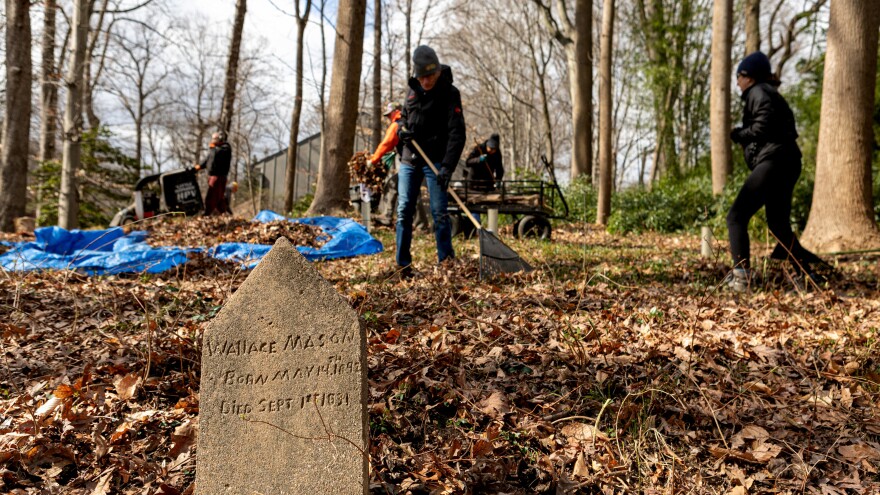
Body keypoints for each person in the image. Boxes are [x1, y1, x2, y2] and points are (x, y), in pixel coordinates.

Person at [727, 51, 823, 292]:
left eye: (739, 76)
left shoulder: (758, 92)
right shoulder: (768, 93)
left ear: (748, 76)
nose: (737, 82)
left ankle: (742, 279)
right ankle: (807, 277)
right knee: (778, 225)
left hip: (775, 162)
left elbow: (762, 126)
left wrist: (739, 134)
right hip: (787, 161)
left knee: (736, 216)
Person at [395, 45, 466, 277]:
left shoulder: (449, 93)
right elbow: (403, 119)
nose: (426, 81)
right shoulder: (412, 91)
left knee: (439, 212)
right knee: (404, 209)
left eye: (430, 76)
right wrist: (401, 131)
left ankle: (446, 263)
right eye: (422, 77)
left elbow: (457, 134)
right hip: (409, 159)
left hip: (435, 161)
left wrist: (447, 167)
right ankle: (403, 265)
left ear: (437, 71)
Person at [197, 131, 232, 216]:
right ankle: (224, 214)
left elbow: (218, 153)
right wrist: (198, 167)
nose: (212, 140)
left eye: (214, 138)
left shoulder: (225, 148)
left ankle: (206, 214)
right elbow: (207, 161)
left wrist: (214, 148)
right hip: (212, 176)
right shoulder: (214, 149)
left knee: (211, 196)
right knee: (219, 199)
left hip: (218, 177)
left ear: (219, 139)